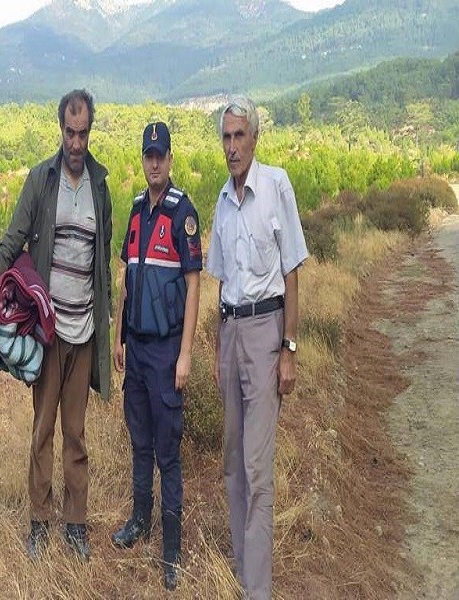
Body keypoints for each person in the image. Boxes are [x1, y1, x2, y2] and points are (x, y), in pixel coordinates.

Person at [0, 89, 112, 561]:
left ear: (90, 131)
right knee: (43, 429)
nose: (76, 143)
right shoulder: (41, 179)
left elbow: (103, 263)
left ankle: (75, 523)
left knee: (76, 433)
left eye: (83, 133)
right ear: (60, 129)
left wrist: (108, 322)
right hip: (49, 331)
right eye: (69, 132)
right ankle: (40, 521)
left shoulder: (100, 186)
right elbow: (12, 238)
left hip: (85, 330)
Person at [206, 96, 309, 600]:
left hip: (267, 332)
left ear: (255, 138)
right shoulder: (222, 202)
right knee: (232, 460)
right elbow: (220, 281)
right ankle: (243, 569)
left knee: (257, 466)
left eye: (239, 136)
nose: (232, 147)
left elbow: (291, 273)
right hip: (230, 333)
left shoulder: (276, 186)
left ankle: (258, 590)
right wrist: (215, 349)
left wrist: (289, 348)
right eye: (226, 137)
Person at [111, 122, 202, 590]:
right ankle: (139, 521)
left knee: (168, 451)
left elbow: (193, 286)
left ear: (170, 158)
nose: (154, 163)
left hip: (167, 351)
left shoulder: (183, 212)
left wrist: (185, 355)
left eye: (160, 156)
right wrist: (118, 335)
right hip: (137, 348)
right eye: (148, 156)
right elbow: (127, 278)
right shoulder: (135, 212)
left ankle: (171, 550)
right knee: (140, 441)